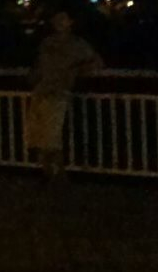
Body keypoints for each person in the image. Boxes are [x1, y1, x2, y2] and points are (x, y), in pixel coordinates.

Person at [26, 9, 103, 179]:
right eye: (56, 19)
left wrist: (78, 71)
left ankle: (58, 175)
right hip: (41, 91)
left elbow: (96, 63)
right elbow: (39, 65)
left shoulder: (78, 44)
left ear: (70, 22)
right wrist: (34, 78)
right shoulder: (47, 42)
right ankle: (47, 172)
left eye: (63, 19)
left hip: (59, 92)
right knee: (37, 136)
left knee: (51, 138)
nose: (58, 22)